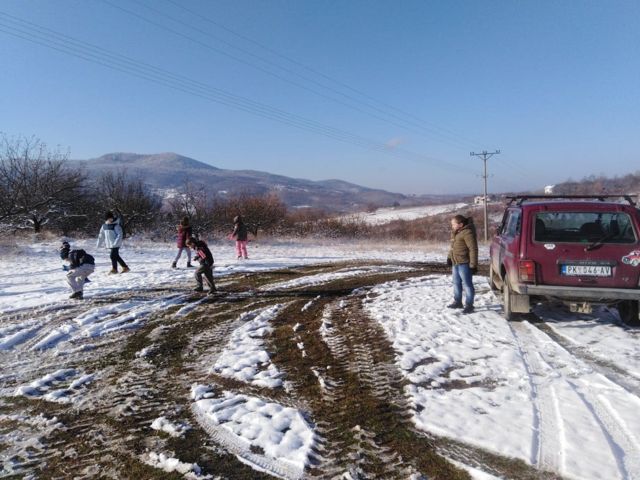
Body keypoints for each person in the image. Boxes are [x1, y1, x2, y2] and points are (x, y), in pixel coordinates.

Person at [446, 214, 478, 314]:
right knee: (456, 283)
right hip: (455, 262)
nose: (452, 226)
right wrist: (449, 257)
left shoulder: (467, 233)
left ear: (460, 224)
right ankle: (458, 301)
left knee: (467, 285)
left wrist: (473, 265)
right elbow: (452, 247)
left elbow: (473, 249)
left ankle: (469, 305)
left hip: (464, 263)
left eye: (453, 224)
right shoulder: (455, 233)